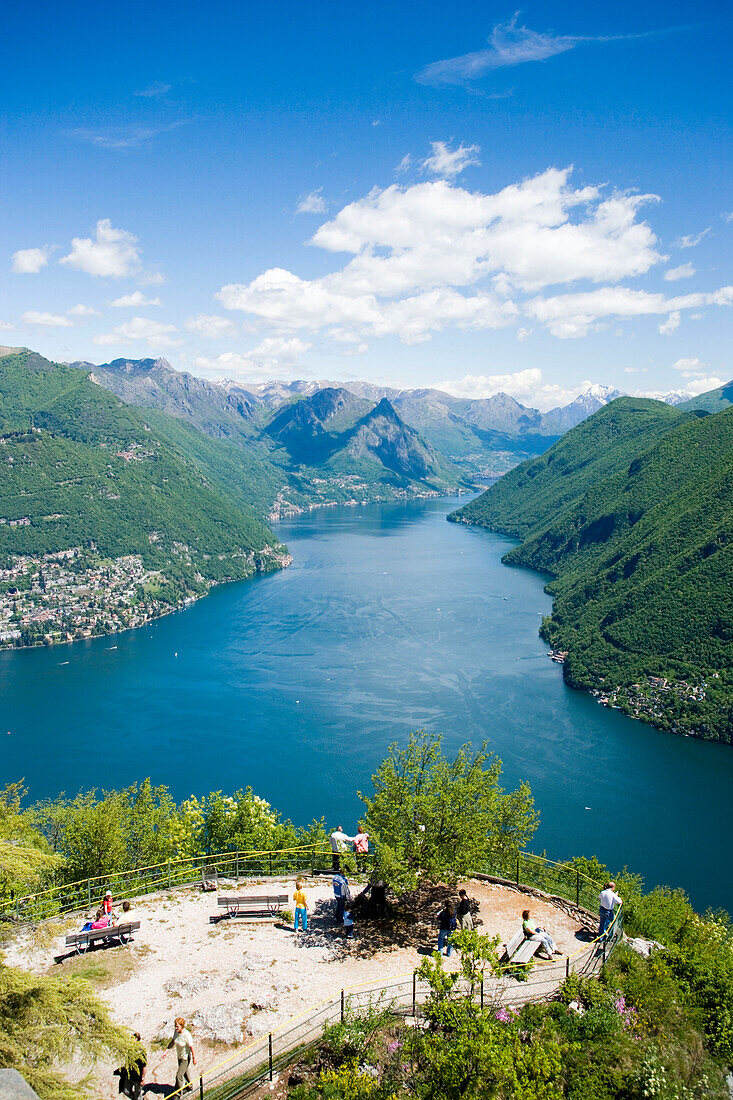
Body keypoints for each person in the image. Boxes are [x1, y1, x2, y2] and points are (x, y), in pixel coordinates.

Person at [166, 1017, 196, 1093]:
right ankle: (190, 1086)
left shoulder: (186, 1035)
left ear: (182, 1026)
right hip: (179, 1056)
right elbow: (173, 1041)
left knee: (179, 1075)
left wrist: (194, 1058)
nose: (176, 1028)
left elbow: (191, 1046)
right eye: (175, 1026)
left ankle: (178, 1093)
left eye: (177, 1026)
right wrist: (166, 1051)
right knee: (185, 1072)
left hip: (185, 1058)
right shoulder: (176, 1032)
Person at [114, 1032, 146, 1099]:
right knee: (126, 1091)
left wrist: (142, 1080)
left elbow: (144, 1067)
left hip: (137, 1078)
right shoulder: (129, 1050)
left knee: (138, 1095)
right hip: (129, 1075)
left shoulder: (140, 1052)